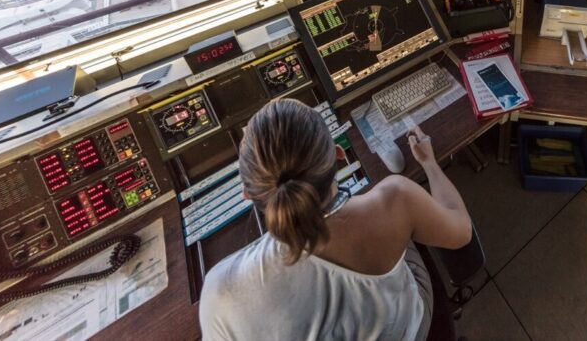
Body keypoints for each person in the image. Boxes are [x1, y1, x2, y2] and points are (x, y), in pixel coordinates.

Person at [199, 99, 472, 341]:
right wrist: (430, 164)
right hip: (412, 329)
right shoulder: (395, 199)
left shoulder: (218, 290)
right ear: (339, 157)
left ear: (248, 194)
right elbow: (462, 231)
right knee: (404, 223)